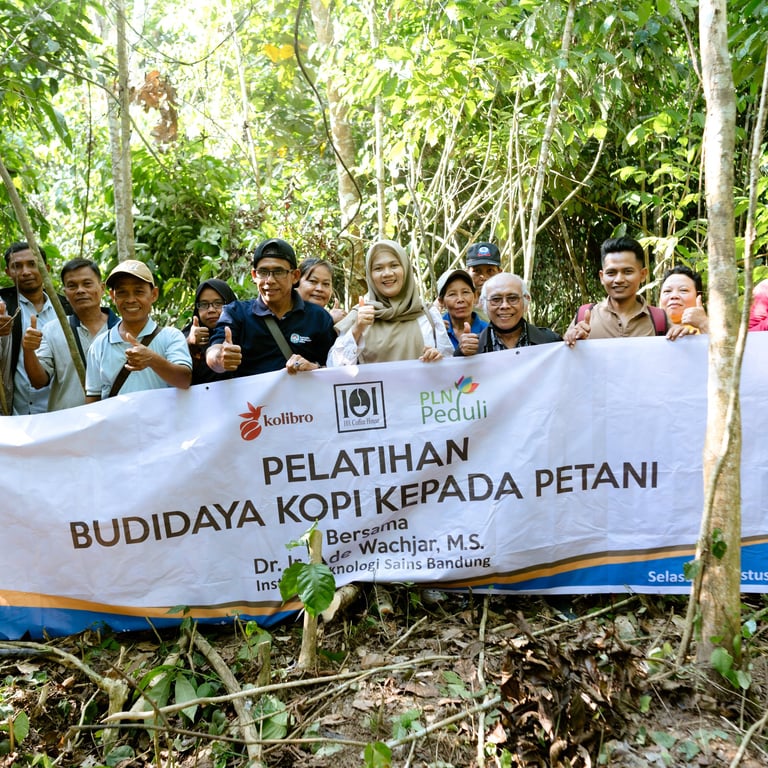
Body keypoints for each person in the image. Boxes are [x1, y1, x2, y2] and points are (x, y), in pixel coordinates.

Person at [207, 238, 336, 377]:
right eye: (263, 272)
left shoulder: (319, 317)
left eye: (278, 272)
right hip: (251, 399)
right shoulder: (236, 313)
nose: (270, 280)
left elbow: (334, 368)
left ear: (295, 276)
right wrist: (220, 357)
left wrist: (315, 369)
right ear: (254, 275)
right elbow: (214, 351)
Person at [329, 239, 453, 366]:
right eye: (378, 268)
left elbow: (450, 366)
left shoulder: (427, 313)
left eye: (394, 265)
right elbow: (334, 367)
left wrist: (437, 358)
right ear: (370, 276)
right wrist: (357, 329)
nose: (387, 273)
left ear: (405, 268)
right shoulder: (360, 315)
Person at [85, 260, 192, 402]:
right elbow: (93, 398)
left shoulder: (171, 337)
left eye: (139, 292)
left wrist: (152, 360)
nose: (130, 300)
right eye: (122, 293)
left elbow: (184, 380)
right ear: (113, 296)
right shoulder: (99, 345)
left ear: (154, 294)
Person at [21, 258, 119, 411]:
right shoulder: (53, 329)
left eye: (87, 284)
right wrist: (28, 350)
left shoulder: (121, 329)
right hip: (67, 425)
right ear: (66, 293)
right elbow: (38, 381)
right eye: (72, 286)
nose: (80, 290)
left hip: (115, 421)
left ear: (102, 288)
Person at [0, 242, 71, 414]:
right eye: (17, 266)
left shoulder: (66, 308)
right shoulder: (3, 306)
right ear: (8, 272)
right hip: (15, 414)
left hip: (62, 413)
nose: (26, 272)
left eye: (32, 264)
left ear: (46, 268)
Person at [564, 236, 670, 347]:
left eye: (628, 272)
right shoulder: (585, 317)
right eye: (611, 273)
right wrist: (573, 341)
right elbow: (564, 359)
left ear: (643, 274)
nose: (619, 280)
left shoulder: (660, 320)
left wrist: (688, 330)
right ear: (602, 277)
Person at [455, 272, 560, 355]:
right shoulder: (472, 348)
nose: (504, 306)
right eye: (496, 299)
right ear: (483, 303)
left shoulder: (550, 341)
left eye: (512, 298)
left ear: (526, 300)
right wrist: (461, 353)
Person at [183, 279, 237, 385]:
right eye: (203, 304)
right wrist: (189, 345)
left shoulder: (246, 329)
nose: (211, 310)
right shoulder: (185, 337)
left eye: (218, 303)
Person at [436, 268, 487, 350]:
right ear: (442, 302)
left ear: (475, 296)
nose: (460, 299)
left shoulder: (487, 331)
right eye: (452, 294)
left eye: (465, 292)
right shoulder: (435, 331)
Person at [659, 265, 709, 338]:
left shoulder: (716, 328)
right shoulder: (649, 325)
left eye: (683, 290)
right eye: (667, 291)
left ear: (698, 296)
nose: (674, 296)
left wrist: (704, 324)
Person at [296, 257, 346, 324]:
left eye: (326, 284)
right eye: (313, 281)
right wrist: (328, 320)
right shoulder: (283, 315)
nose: (320, 289)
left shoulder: (337, 320)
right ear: (296, 281)